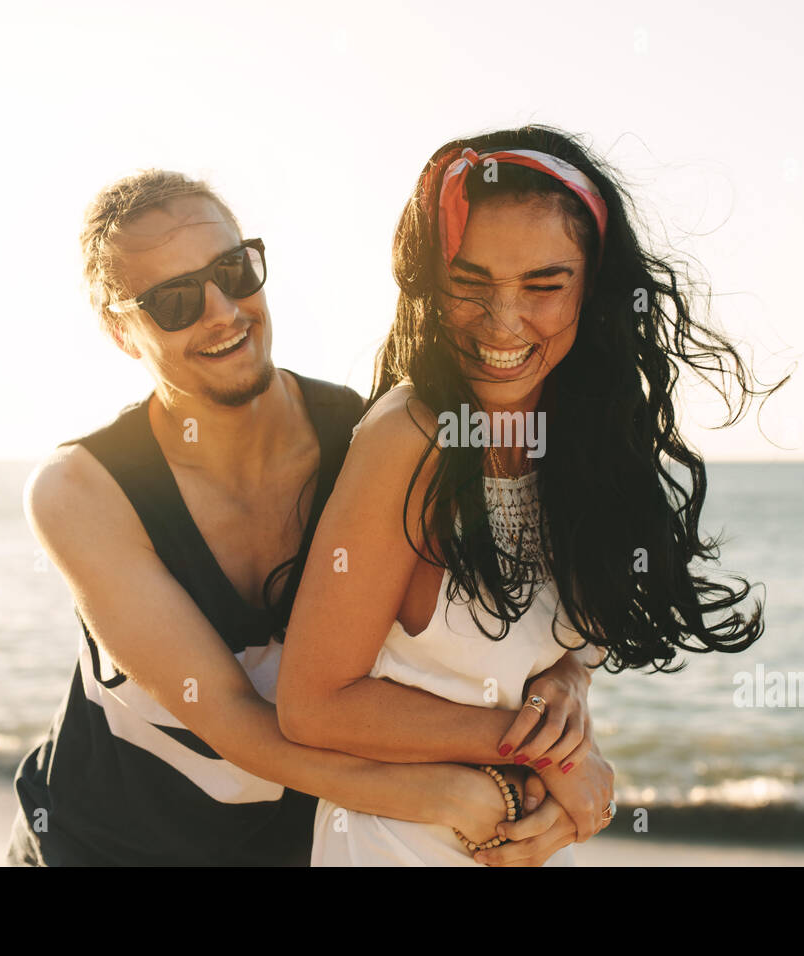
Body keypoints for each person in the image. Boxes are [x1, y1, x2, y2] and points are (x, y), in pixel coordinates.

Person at [6, 169, 597, 866]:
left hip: (294, 847)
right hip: (105, 844)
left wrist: (566, 685)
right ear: (120, 331)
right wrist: (443, 795)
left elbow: (472, 633)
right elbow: (239, 723)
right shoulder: (80, 490)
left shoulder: (362, 432)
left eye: (235, 269)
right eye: (174, 300)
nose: (223, 311)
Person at [277, 126, 775, 866]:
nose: (504, 323)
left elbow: (560, 641)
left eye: (544, 285)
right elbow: (313, 703)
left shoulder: (585, 439)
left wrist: (571, 679)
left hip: (525, 837)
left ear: (592, 285)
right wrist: (556, 759)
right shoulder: (413, 437)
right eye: (470, 285)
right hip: (395, 841)